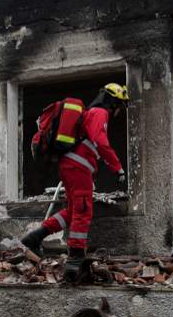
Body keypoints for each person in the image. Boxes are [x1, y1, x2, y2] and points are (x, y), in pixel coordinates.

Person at [21, 83, 128, 282]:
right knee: (84, 210)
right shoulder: (99, 113)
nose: (118, 112)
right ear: (113, 102)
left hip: (71, 166)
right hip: (79, 167)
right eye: (120, 106)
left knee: (72, 211)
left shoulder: (90, 113)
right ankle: (75, 261)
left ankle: (35, 237)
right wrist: (117, 167)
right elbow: (101, 141)